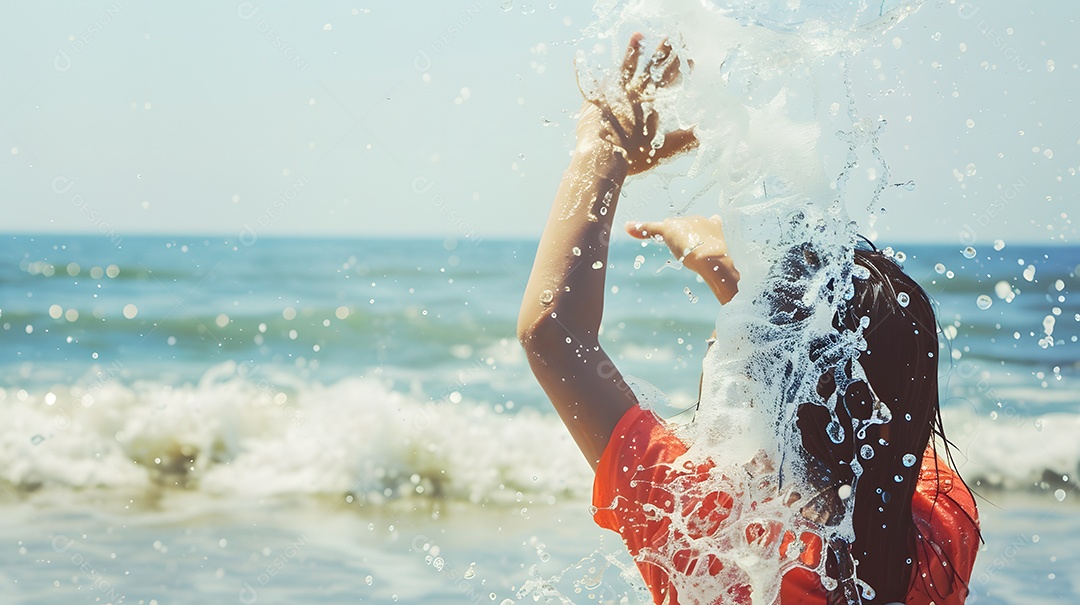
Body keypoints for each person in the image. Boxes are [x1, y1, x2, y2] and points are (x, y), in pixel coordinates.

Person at [517, 33, 980, 604]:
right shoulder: (940, 530)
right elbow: (870, 406)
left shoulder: (708, 528)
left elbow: (552, 332)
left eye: (737, 332)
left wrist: (602, 146)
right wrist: (738, 288)